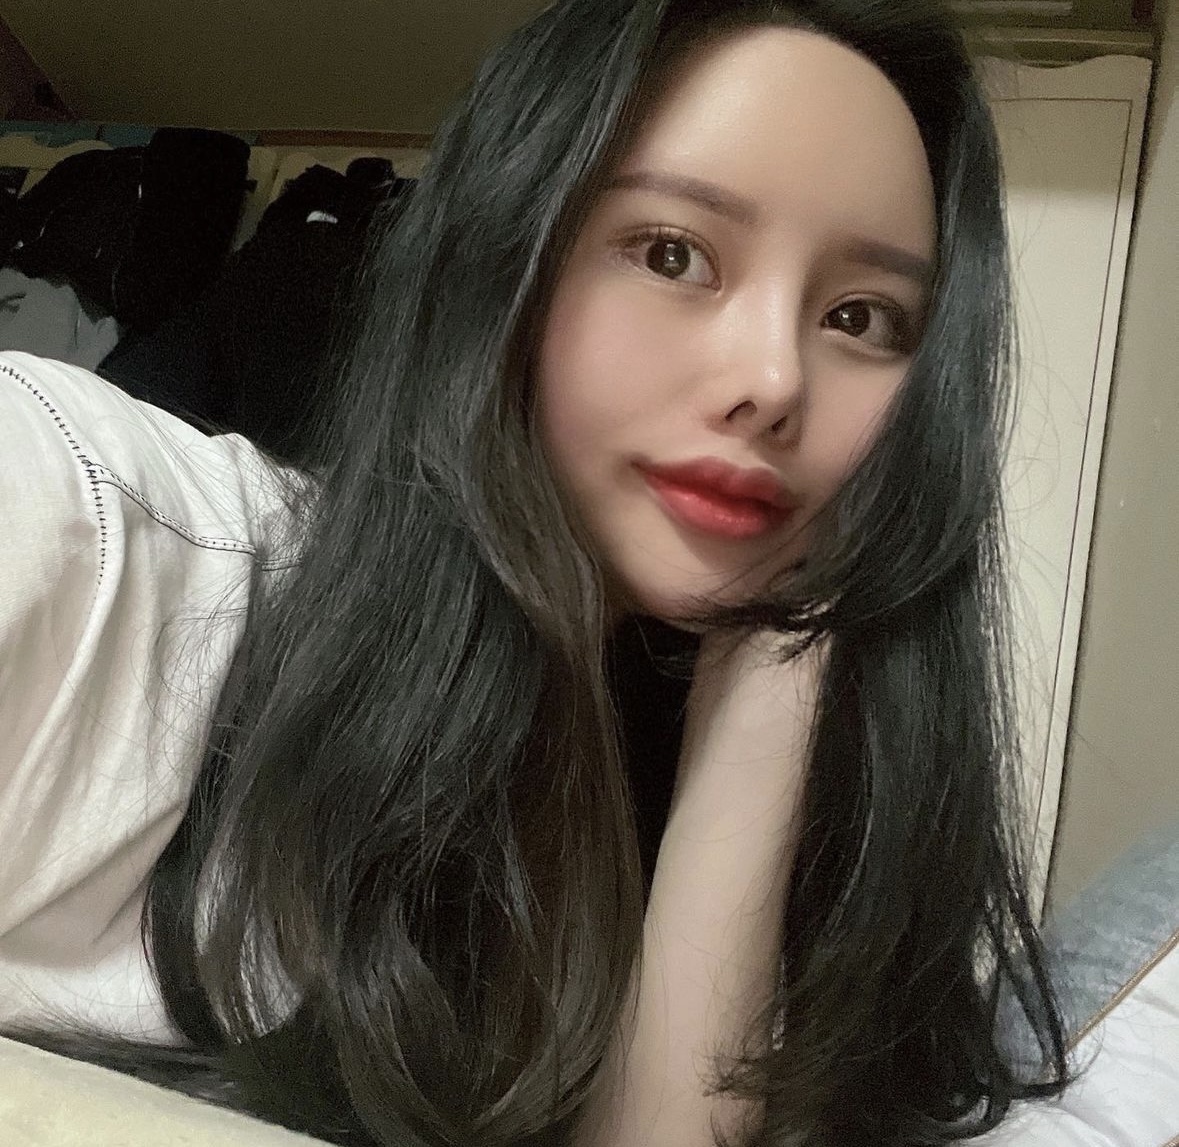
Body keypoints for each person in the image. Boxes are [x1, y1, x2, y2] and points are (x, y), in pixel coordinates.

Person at [0, 0, 1082, 1144]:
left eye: (861, 317)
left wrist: (773, 680)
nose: (776, 380)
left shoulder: (693, 769)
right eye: (673, 254)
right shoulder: (90, 537)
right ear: (498, 264)